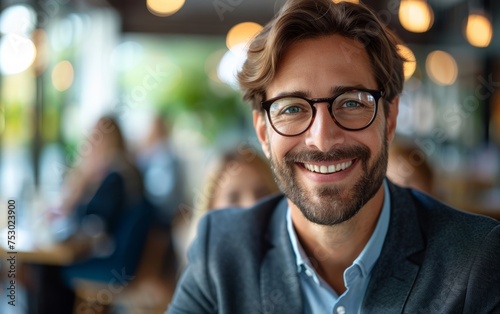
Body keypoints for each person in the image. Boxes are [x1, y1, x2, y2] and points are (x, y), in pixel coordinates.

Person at [168, 1, 500, 313]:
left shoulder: (476, 259)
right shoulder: (221, 249)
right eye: (293, 108)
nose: (323, 140)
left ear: (391, 119)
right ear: (263, 133)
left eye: (352, 102)